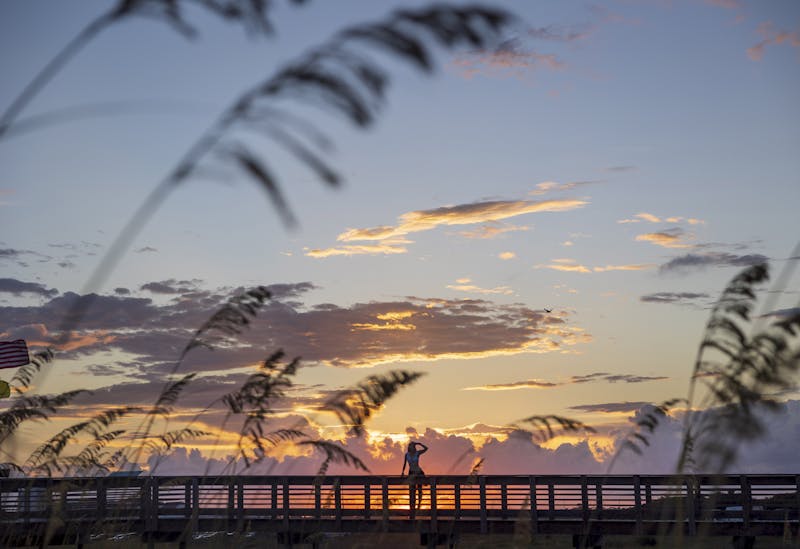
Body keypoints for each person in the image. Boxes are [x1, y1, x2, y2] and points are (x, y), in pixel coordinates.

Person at [401, 441, 428, 509]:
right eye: (411, 446)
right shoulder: (406, 454)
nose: (412, 447)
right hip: (411, 472)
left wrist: (419, 444)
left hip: (418, 472)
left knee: (419, 489)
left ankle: (419, 504)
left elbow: (426, 448)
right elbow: (404, 464)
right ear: (409, 447)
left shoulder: (417, 453)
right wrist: (402, 472)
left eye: (413, 446)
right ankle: (412, 506)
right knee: (412, 490)